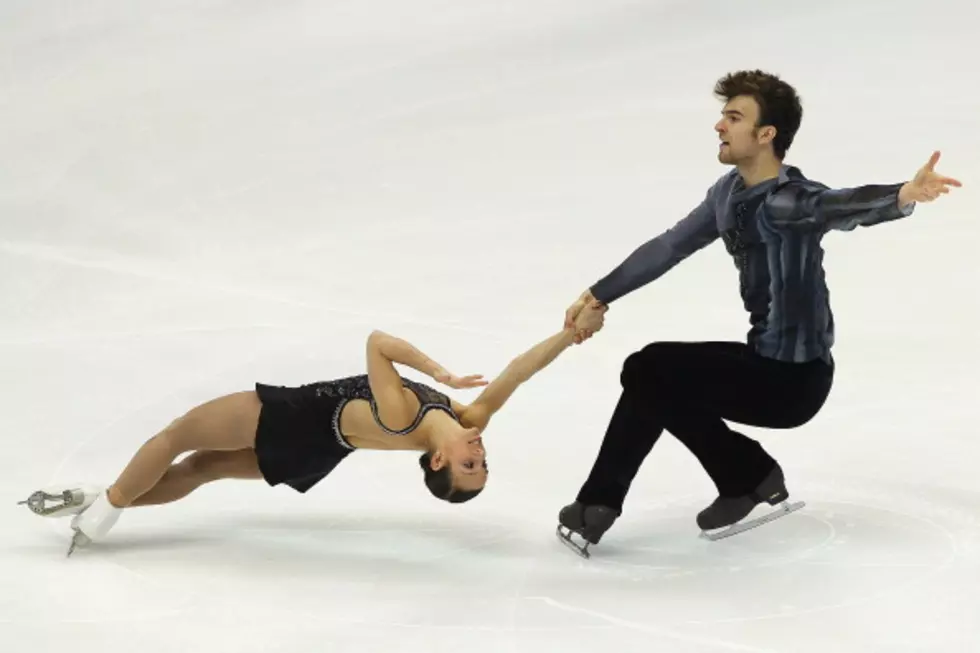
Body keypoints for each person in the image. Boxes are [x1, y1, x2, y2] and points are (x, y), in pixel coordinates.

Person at [556, 69, 962, 558]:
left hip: (794, 381)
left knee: (651, 367)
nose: (719, 126)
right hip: (760, 362)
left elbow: (840, 204)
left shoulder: (791, 201)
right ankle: (738, 479)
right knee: (652, 376)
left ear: (766, 134)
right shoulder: (727, 193)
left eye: (733, 117)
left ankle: (710, 481)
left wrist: (902, 194)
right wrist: (600, 295)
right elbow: (670, 245)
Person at [21, 303, 607, 556]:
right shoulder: (466, 418)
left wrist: (438, 372)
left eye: (470, 465)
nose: (480, 450)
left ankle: (106, 508)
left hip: (295, 417)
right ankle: (95, 499)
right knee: (201, 471)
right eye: (483, 463)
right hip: (318, 452)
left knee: (179, 437)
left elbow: (378, 343)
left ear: (436, 462)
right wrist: (570, 334)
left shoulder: (403, 414)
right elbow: (518, 373)